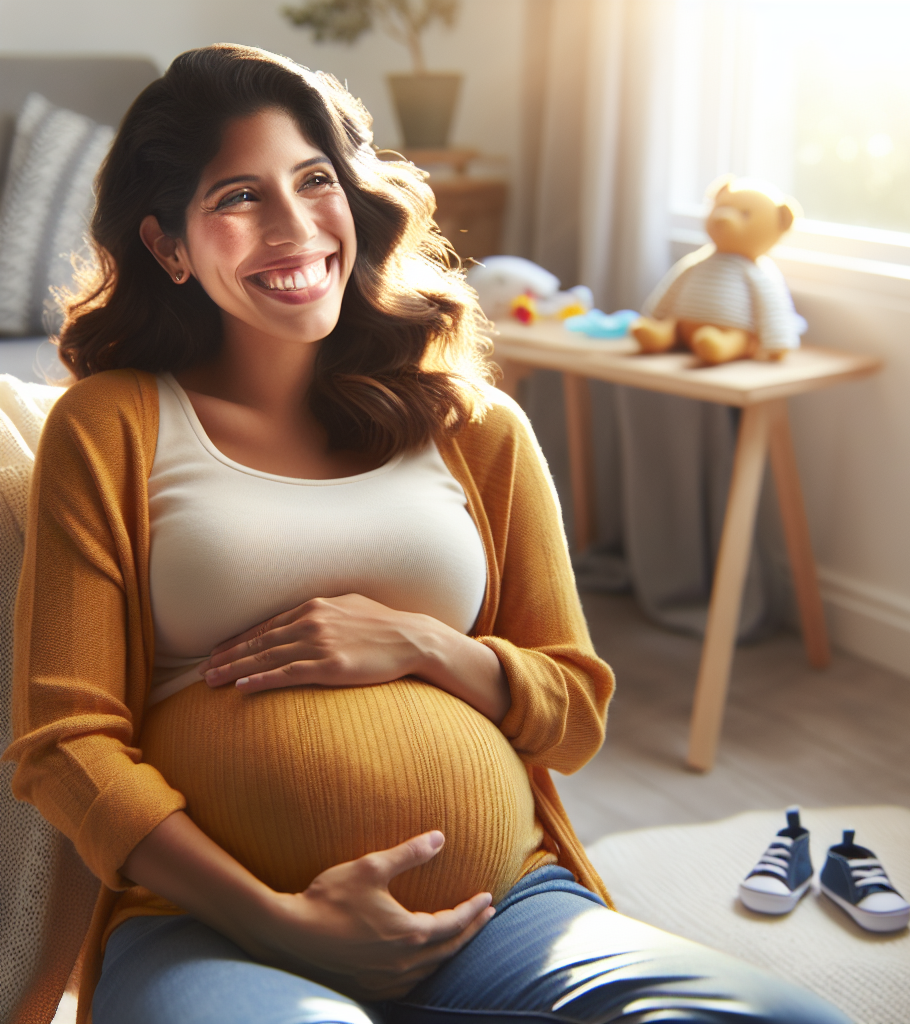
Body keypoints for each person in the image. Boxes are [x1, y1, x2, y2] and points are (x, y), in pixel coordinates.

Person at [4, 45, 852, 1024]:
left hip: (500, 919)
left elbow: (574, 708)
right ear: (169, 248)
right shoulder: (112, 425)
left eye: (314, 179)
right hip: (214, 927)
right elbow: (66, 744)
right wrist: (278, 918)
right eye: (238, 196)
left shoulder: (476, 427)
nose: (293, 226)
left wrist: (423, 644)